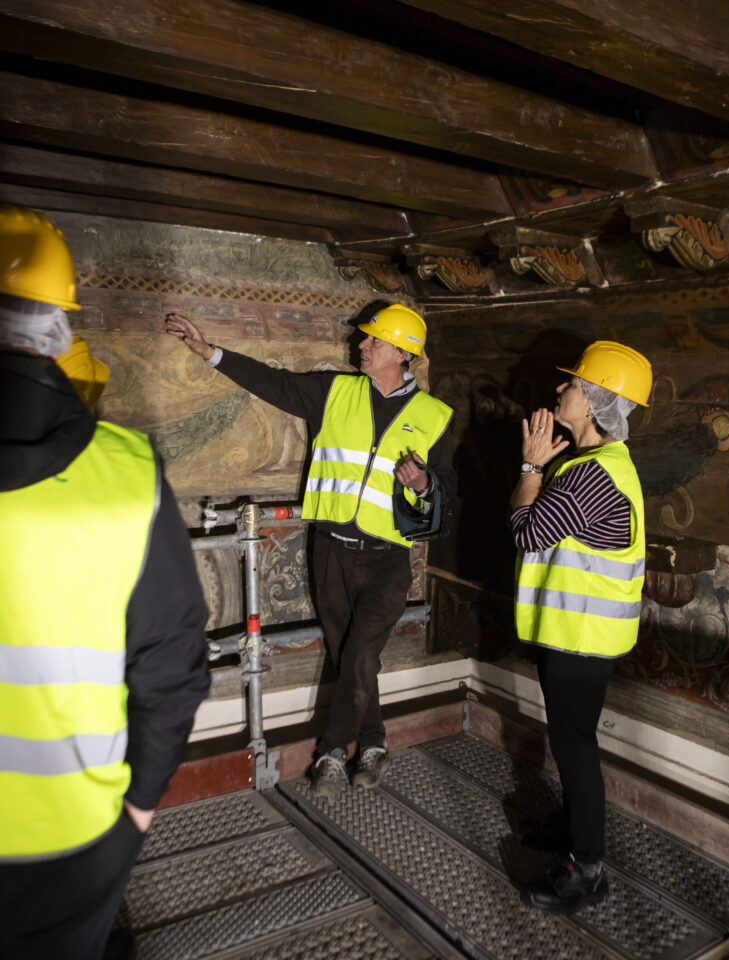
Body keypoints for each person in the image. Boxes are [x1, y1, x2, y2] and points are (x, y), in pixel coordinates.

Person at [0, 205, 211, 959]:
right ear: (60, 330)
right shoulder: (123, 470)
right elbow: (175, 664)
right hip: (77, 834)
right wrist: (142, 808)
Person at [165, 305, 453, 801]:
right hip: (331, 552)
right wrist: (210, 352)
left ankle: (330, 752)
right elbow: (272, 383)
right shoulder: (333, 391)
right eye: (364, 340)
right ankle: (375, 743)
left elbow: (448, 494)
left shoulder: (435, 416)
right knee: (351, 656)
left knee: (362, 653)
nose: (360, 347)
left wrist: (425, 484)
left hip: (387, 557)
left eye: (374, 342)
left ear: (402, 354)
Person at [509, 340, 651, 914]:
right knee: (574, 741)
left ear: (591, 404)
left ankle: (587, 870)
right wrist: (541, 469)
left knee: (574, 749)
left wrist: (529, 466)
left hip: (581, 642)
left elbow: (522, 529)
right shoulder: (596, 466)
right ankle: (571, 827)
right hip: (578, 636)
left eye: (570, 386)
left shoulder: (588, 478)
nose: (560, 391)